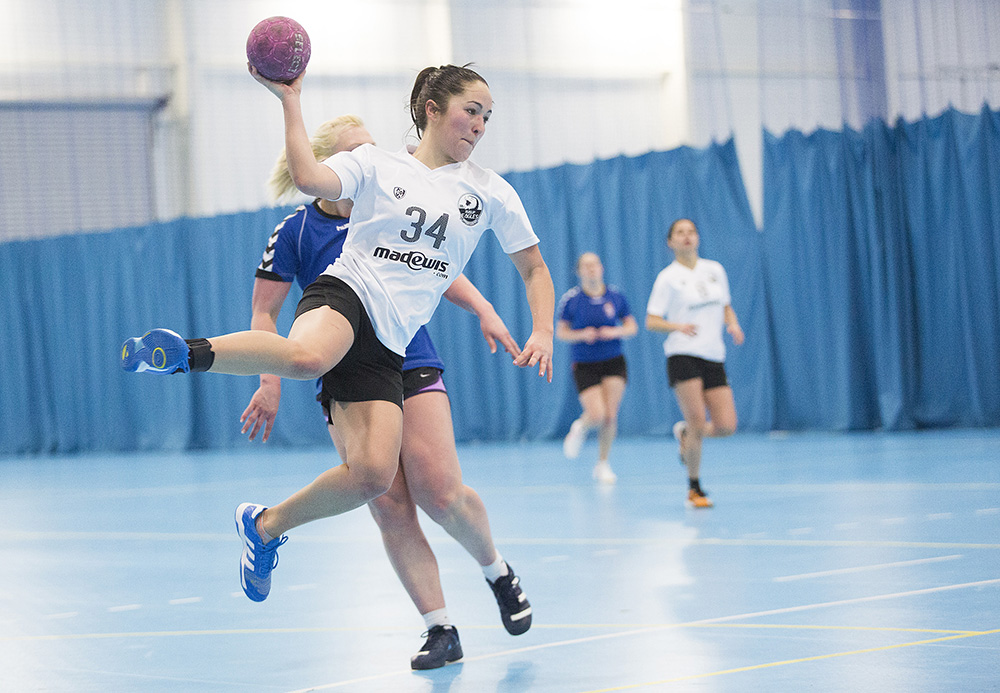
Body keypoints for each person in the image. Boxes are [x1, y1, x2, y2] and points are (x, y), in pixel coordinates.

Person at [121, 63, 554, 655]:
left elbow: (532, 267)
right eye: (470, 109)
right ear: (430, 107)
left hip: (400, 340)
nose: (479, 124)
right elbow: (307, 175)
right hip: (347, 294)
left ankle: (269, 525)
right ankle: (184, 354)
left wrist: (542, 329)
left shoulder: (489, 191)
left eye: (486, 115)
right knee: (306, 359)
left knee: (399, 481)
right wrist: (290, 101)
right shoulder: (374, 167)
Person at [240, 114, 532, 669]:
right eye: (356, 152)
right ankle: (439, 627)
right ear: (329, 164)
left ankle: (497, 570)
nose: (371, 160)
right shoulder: (297, 231)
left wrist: (486, 310)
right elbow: (263, 312)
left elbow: (441, 267)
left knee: (439, 491)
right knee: (388, 502)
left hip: (407, 356)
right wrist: (268, 381)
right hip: (348, 372)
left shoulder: (395, 199)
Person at [644, 218, 743, 508]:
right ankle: (694, 489)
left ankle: (686, 434)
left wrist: (733, 325)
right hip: (682, 354)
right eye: (680, 233)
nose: (686, 237)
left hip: (713, 354)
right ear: (670, 242)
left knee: (726, 426)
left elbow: (725, 306)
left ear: (698, 238)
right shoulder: (667, 278)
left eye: (691, 232)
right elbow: (651, 321)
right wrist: (677, 326)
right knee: (698, 421)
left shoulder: (714, 270)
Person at [556, 252, 637, 483]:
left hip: (613, 360)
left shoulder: (615, 296)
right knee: (597, 414)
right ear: (579, 271)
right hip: (585, 363)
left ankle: (603, 463)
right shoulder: (571, 300)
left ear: (601, 268)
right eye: (585, 266)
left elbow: (631, 326)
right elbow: (561, 332)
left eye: (595, 265)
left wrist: (615, 331)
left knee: (610, 416)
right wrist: (582, 335)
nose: (591, 269)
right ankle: (580, 426)